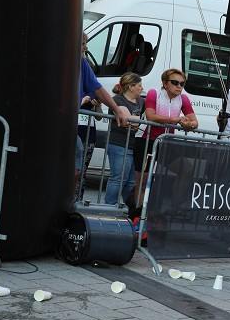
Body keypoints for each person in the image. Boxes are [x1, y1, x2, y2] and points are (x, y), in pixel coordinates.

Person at [139, 68, 198, 212]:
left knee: (187, 169)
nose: (179, 86)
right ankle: (137, 214)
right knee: (143, 181)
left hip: (166, 142)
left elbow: (195, 123)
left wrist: (187, 124)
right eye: (175, 82)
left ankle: (174, 206)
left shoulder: (183, 98)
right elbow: (151, 116)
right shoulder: (154, 93)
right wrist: (175, 120)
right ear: (165, 84)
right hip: (147, 140)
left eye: (182, 84)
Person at [77, 32, 130, 191]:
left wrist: (116, 110)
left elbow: (98, 89)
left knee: (77, 170)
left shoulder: (83, 64)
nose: (86, 47)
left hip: (78, 131)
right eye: (82, 43)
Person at [105, 72, 145, 207]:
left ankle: (130, 209)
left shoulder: (141, 101)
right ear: (131, 87)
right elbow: (128, 122)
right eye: (139, 85)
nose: (142, 88)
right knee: (118, 178)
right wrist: (146, 120)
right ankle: (109, 207)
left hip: (135, 145)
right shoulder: (118, 100)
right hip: (119, 144)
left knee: (132, 182)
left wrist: (139, 121)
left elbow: (135, 122)